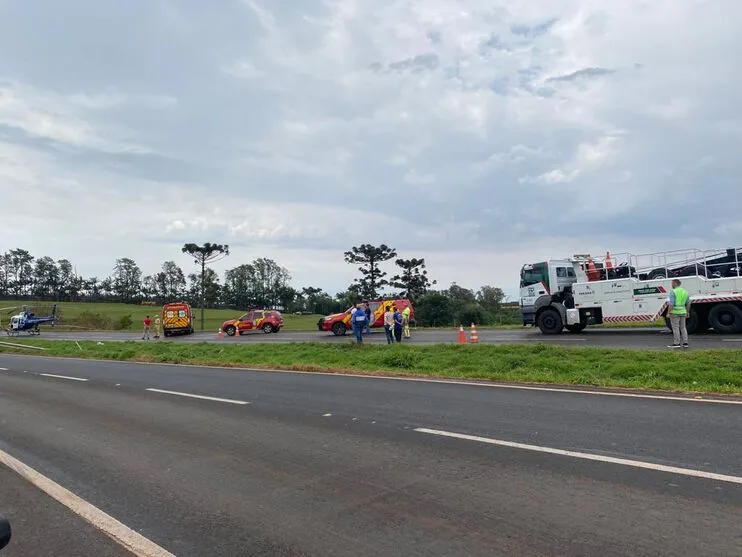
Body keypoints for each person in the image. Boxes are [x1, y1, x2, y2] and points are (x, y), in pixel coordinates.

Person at [667, 279, 690, 348]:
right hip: (683, 312)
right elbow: (688, 303)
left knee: (676, 328)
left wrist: (668, 312)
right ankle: (685, 343)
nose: (671, 285)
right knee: (683, 328)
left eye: (672, 283)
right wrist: (687, 312)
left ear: (675, 283)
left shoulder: (673, 291)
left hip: (675, 312)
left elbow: (671, 304)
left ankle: (677, 343)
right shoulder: (685, 292)